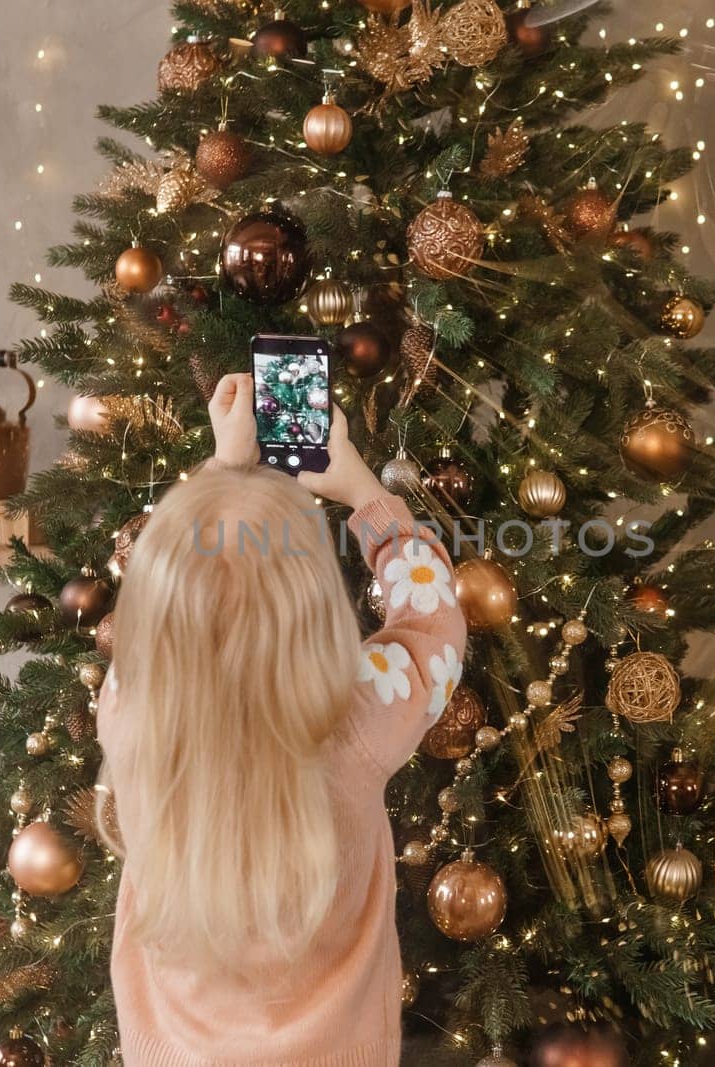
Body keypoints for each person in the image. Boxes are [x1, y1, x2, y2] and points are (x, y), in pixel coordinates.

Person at [97, 372, 468, 1066]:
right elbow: (433, 623)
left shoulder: (132, 705)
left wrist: (222, 467)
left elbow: (161, 595)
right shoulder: (358, 710)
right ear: (322, 610)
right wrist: (365, 495)